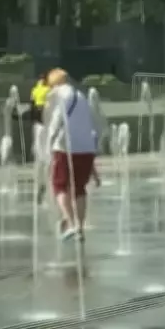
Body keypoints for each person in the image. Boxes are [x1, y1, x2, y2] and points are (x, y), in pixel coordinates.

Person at [45, 68, 106, 241]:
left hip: (65, 148)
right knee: (79, 188)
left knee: (60, 186)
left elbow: (56, 122)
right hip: (86, 149)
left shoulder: (59, 95)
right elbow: (91, 124)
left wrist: (48, 146)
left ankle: (70, 223)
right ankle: (80, 227)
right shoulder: (81, 96)